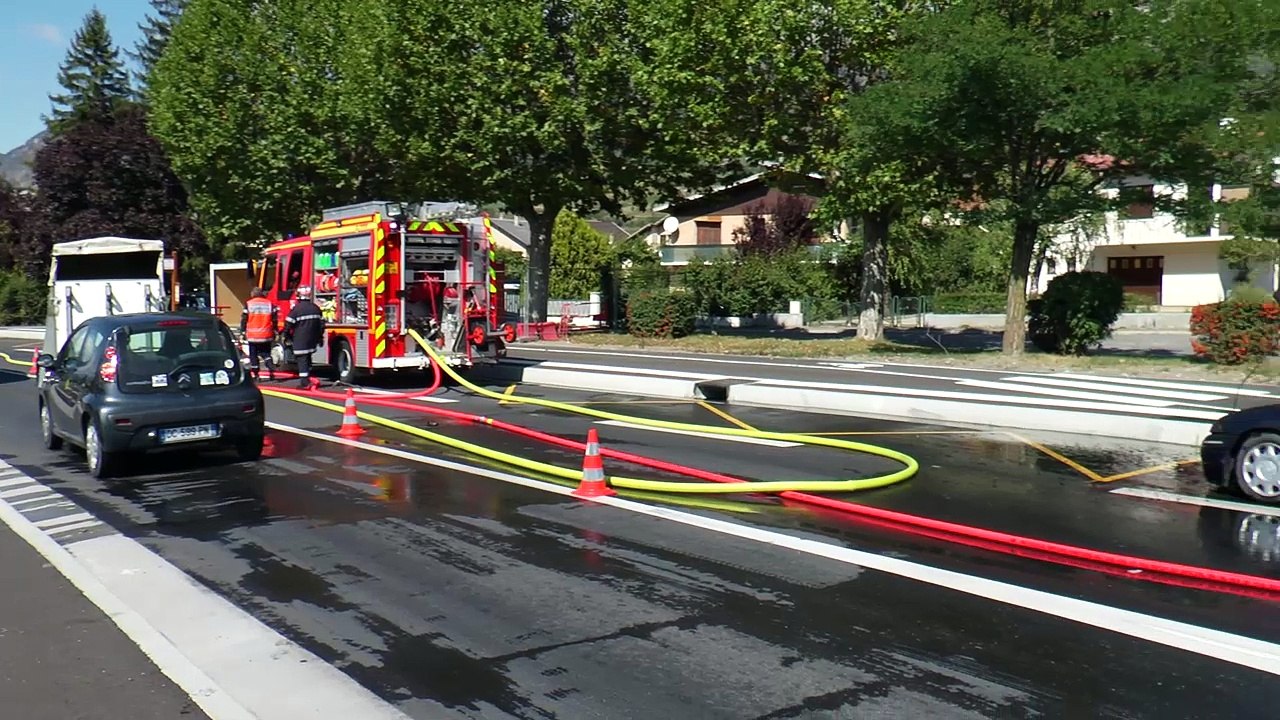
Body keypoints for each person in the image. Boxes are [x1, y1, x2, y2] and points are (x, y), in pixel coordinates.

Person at [284, 285, 325, 389]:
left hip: (300, 340)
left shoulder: (297, 309)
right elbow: (321, 325)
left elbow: (288, 324)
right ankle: (308, 378)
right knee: (307, 358)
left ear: (299, 296)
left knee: (302, 360)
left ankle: (304, 383)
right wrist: (320, 338)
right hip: (312, 340)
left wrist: (286, 336)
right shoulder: (316, 308)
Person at [239, 287, 278, 381]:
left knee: (253, 354)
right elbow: (274, 319)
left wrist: (242, 332)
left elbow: (244, 319)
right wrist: (275, 331)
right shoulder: (269, 304)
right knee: (266, 353)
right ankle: (271, 368)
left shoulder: (249, 304)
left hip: (253, 335)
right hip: (266, 334)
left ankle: (256, 374)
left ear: (253, 294)